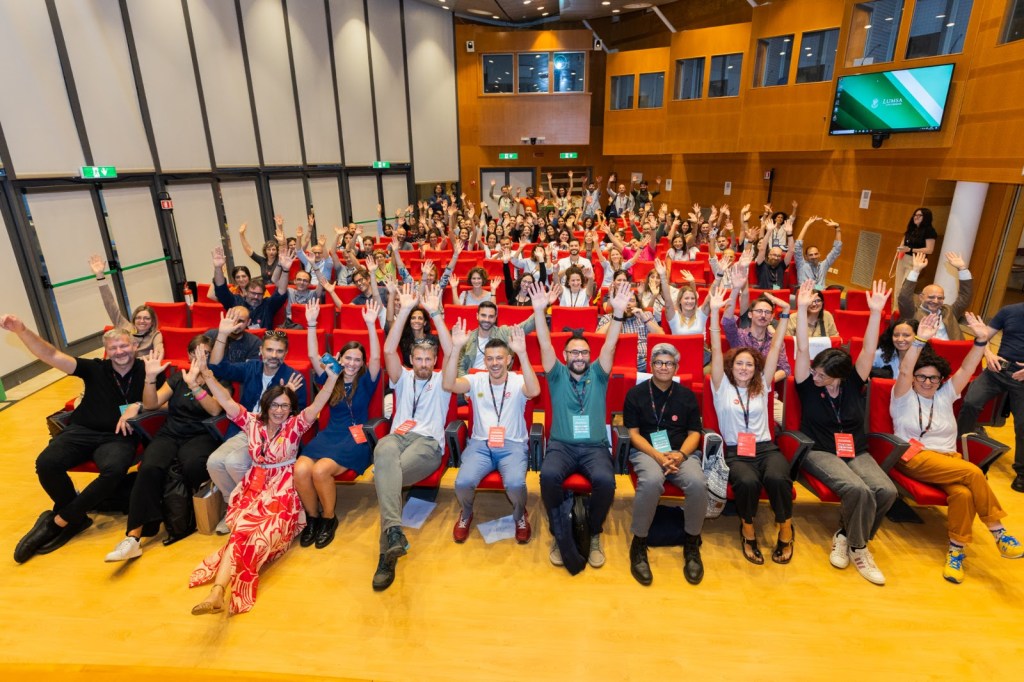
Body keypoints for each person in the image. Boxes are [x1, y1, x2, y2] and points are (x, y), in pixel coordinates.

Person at [188, 349, 341, 615]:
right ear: (266, 405)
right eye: (275, 405)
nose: (280, 411)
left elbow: (320, 402)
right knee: (241, 534)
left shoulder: (295, 426)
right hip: (253, 488)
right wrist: (206, 373)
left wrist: (331, 378)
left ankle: (217, 591)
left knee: (253, 537)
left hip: (283, 493)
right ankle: (218, 593)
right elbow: (225, 400)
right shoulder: (251, 423)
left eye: (285, 406)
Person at [4, 321, 155, 563]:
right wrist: (22, 330)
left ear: (134, 346)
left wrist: (136, 406)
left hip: (119, 436)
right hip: (83, 430)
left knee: (114, 470)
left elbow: (159, 400)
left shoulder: (148, 370)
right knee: (46, 462)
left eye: (124, 346)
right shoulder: (94, 368)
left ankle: (61, 520)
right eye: (114, 348)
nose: (120, 352)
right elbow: (51, 354)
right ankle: (76, 516)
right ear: (106, 351)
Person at [891, 312, 1023, 583]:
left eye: (934, 378)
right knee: (973, 473)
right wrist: (919, 341)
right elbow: (904, 370)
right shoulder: (902, 396)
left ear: (941, 381)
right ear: (913, 378)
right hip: (914, 457)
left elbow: (966, 370)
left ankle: (955, 552)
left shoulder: (945, 395)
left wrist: (980, 341)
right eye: (922, 377)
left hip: (949, 460)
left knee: (963, 494)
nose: (928, 382)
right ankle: (998, 532)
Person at [793, 280, 898, 585]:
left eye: (822, 374)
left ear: (838, 376)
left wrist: (875, 312)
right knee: (858, 490)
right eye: (814, 371)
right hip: (820, 450)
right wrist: (800, 309)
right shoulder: (808, 385)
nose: (815, 376)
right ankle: (859, 547)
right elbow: (801, 347)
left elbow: (868, 348)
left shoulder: (853, 382)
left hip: (856, 449)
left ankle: (845, 535)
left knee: (886, 491)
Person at [530, 280, 632, 570]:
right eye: (573, 353)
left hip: (594, 447)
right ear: (565, 357)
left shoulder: (599, 374)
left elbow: (610, 345)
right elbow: (544, 342)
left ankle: (594, 530)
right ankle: (559, 529)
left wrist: (618, 313)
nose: (579, 357)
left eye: (584, 353)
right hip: (561, 446)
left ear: (590, 356)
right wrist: (540, 311)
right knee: (548, 477)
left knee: (606, 482)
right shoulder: (556, 374)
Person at [104, 337, 225, 562]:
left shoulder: (218, 379)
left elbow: (215, 411)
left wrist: (195, 384)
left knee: (192, 465)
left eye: (206, 354)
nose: (201, 358)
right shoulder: (177, 378)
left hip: (201, 434)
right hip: (171, 433)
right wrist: (150, 379)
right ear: (188, 355)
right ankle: (133, 538)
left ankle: (184, 517)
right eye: (196, 353)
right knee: (149, 467)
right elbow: (151, 404)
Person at [371, 283, 453, 591]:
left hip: (427, 444)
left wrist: (434, 312)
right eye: (417, 359)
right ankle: (394, 534)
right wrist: (404, 310)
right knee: (383, 448)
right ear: (412, 359)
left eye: (428, 360)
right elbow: (389, 350)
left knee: (386, 478)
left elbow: (452, 348)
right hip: (398, 439)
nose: (422, 364)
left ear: (434, 361)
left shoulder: (443, 382)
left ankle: (385, 557)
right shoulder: (402, 377)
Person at [707, 283, 794, 565]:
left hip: (765, 447)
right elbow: (717, 350)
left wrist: (784, 315)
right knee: (746, 481)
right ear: (731, 367)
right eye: (739, 364)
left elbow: (777, 347)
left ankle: (785, 529)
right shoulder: (721, 387)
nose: (744, 368)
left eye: (749, 365)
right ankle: (747, 530)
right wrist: (713, 311)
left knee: (778, 477)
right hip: (736, 451)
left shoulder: (763, 386)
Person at [205, 310, 307, 534]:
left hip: (272, 436)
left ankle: (254, 509)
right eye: (269, 349)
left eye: (279, 351)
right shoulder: (251, 367)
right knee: (214, 462)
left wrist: (288, 395)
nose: (274, 355)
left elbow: (298, 420)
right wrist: (222, 334)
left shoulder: (294, 377)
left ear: (286, 353)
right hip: (245, 428)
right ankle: (234, 506)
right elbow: (216, 366)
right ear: (261, 351)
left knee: (233, 462)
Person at [293, 299, 381, 550]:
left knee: (320, 471)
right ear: (339, 358)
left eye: (357, 360)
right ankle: (313, 518)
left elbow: (375, 355)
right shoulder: (331, 377)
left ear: (362, 364)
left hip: (355, 438)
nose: (352, 363)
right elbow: (312, 355)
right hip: (330, 434)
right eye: (348, 358)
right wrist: (311, 324)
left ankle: (329, 518)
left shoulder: (367, 380)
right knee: (300, 469)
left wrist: (371, 325)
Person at [442, 321, 540, 544]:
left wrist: (523, 353)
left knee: (516, 484)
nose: (494, 363)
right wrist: (456, 348)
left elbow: (534, 391)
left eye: (499, 358)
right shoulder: (476, 379)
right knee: (462, 483)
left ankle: (519, 515)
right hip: (480, 445)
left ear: (508, 359)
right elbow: (448, 385)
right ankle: (466, 513)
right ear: (484, 361)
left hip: (512, 445)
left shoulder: (517, 380)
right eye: (490, 358)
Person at [623, 343, 705, 586]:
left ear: (676, 367)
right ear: (651, 366)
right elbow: (634, 434)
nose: (663, 367)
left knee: (698, 483)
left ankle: (691, 544)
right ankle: (639, 542)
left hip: (681, 453)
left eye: (669, 363)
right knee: (650, 482)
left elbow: (695, 433)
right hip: (647, 452)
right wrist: (658, 457)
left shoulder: (686, 395)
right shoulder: (636, 394)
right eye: (658, 363)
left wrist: (679, 455)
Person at [957, 302, 1024, 493]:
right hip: (998, 369)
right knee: (970, 402)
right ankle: (959, 448)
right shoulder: (1008, 310)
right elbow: (983, 336)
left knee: (1023, 424)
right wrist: (988, 355)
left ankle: (1022, 472)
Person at [88, 255, 164, 355]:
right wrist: (100, 276)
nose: (142, 321)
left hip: (139, 367)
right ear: (134, 319)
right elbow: (110, 304)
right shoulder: (125, 327)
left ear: (153, 321)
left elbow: (158, 353)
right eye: (138, 318)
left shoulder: (155, 335)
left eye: (146, 318)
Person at [897, 252, 972, 340]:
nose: (935, 301)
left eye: (940, 298)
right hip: (925, 352)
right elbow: (904, 297)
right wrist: (915, 270)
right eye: (931, 297)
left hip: (952, 351)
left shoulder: (949, 312)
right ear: (921, 297)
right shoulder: (912, 313)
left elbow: (966, 296)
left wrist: (962, 269)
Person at [211, 246, 291, 329]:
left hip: (264, 340)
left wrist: (285, 270)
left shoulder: (268, 305)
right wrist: (218, 268)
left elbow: (281, 292)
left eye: (259, 294)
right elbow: (221, 289)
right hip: (239, 339)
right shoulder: (235, 301)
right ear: (246, 292)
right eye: (253, 293)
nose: (256, 297)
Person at [454, 301, 537, 375]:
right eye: (483, 315)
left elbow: (526, 326)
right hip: (474, 381)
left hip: (497, 379)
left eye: (491, 316)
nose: (487, 319)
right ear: (477, 316)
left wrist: (540, 308)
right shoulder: (468, 338)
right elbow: (460, 367)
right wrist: (467, 387)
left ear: (495, 317)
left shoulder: (502, 332)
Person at [894, 207, 938, 305]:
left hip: (916, 261)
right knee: (897, 287)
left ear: (925, 217)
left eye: (919, 215)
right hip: (903, 258)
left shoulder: (929, 231)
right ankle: (895, 311)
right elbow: (903, 243)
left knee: (904, 288)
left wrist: (911, 250)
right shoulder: (911, 228)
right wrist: (901, 249)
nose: (916, 217)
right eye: (915, 215)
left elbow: (929, 250)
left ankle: (903, 312)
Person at [793, 216, 842, 290]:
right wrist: (806, 225)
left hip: (820, 296)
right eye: (811, 255)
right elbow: (798, 245)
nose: (814, 256)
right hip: (805, 296)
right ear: (806, 256)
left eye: (816, 254)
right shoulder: (801, 265)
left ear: (819, 254)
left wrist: (837, 229)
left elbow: (837, 250)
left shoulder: (824, 265)